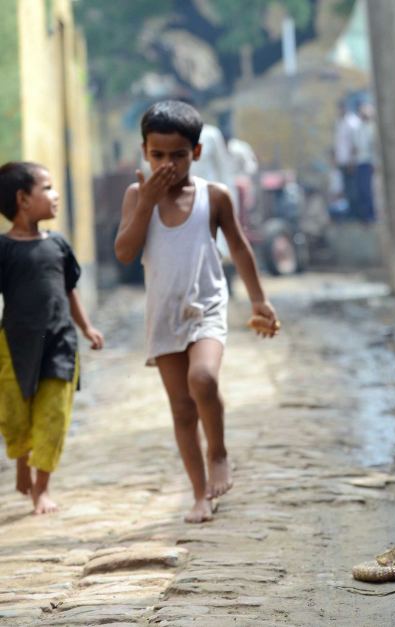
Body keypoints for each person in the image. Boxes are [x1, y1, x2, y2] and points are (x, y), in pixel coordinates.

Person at [115, 101, 279, 523]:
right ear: (144, 152)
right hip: (163, 315)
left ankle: (219, 451)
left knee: (202, 378)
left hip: (206, 305)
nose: (167, 164)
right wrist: (147, 201)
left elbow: (239, 247)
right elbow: (125, 251)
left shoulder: (214, 196)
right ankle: (199, 493)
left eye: (178, 155)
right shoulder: (137, 195)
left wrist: (259, 300)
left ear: (197, 153)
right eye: (158, 155)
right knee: (182, 410)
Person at [0, 162, 104, 515]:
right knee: (15, 414)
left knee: (53, 415)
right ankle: (20, 457)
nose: (55, 195)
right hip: (14, 343)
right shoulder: (4, 249)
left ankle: (42, 488)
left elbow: (69, 289)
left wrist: (86, 327)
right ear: (22, 199)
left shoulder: (58, 244)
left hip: (60, 343)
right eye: (47, 188)